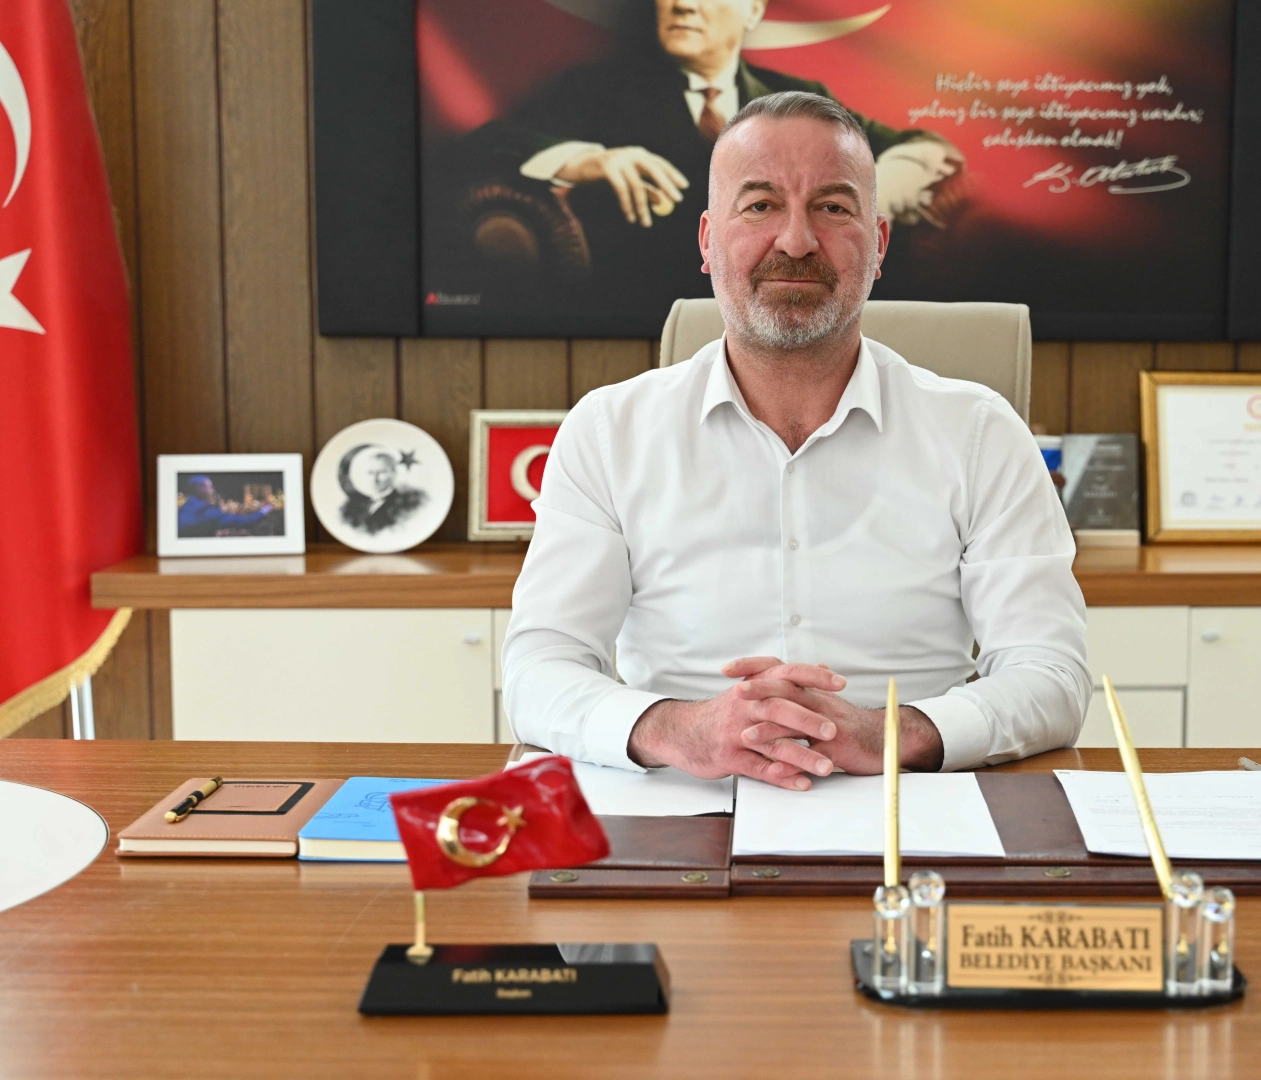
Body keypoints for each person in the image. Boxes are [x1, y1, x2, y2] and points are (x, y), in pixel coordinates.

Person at [502, 91, 1088, 789]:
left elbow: (1051, 674)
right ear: (706, 241)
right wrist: (682, 731)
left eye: (833, 208)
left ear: (879, 244)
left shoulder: (982, 433)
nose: (796, 241)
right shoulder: (608, 432)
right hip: (682, 805)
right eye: (760, 205)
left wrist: (889, 734)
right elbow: (540, 669)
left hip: (910, 806)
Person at [450, 0, 958, 316]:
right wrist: (587, 160)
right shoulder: (597, 91)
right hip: (638, 310)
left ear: (753, 10)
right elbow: (484, 143)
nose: (680, 5)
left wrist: (871, 194)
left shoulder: (798, 98)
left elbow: (925, 147)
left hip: (782, 312)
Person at [176, 476, 277, 538]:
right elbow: (246, 520)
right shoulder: (210, 512)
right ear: (202, 488)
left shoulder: (184, 508)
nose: (212, 490)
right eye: (210, 486)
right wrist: (264, 509)